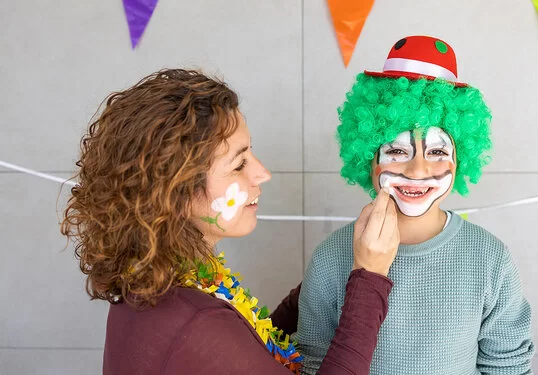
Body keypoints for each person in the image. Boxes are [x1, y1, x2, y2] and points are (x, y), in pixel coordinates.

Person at [61, 68, 401, 374]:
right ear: (175, 193)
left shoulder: (164, 284)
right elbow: (221, 340)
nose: (262, 173)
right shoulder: (196, 323)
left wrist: (323, 279)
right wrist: (368, 278)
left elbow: (248, 348)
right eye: (239, 165)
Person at [297, 36, 535, 375]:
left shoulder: (490, 258)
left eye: (437, 152)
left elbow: (507, 366)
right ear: (368, 159)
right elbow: (312, 364)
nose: (418, 170)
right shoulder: (330, 257)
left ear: (460, 160)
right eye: (396, 151)